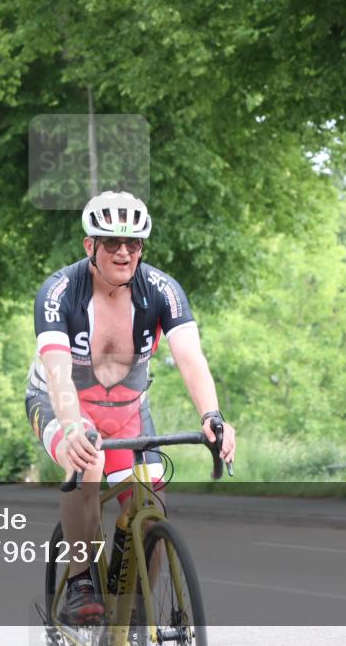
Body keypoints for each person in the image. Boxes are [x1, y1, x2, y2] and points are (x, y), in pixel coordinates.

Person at [25, 190, 237, 624]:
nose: (123, 251)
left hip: (127, 410)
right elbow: (60, 374)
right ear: (90, 246)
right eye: (111, 242)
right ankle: (81, 581)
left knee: (149, 505)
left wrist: (212, 416)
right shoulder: (59, 291)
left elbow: (191, 359)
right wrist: (71, 429)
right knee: (81, 460)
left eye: (133, 243)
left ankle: (134, 607)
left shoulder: (162, 290)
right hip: (60, 401)